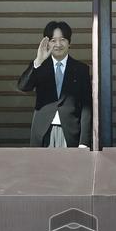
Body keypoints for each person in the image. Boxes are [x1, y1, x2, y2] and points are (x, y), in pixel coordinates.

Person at [17, 20, 93, 149]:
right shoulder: (40, 66)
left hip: (71, 132)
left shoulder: (81, 69)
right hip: (43, 132)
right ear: (47, 43)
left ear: (69, 42)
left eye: (62, 39)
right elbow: (23, 86)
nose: (58, 44)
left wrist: (84, 142)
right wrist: (38, 61)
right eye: (53, 40)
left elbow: (87, 107)